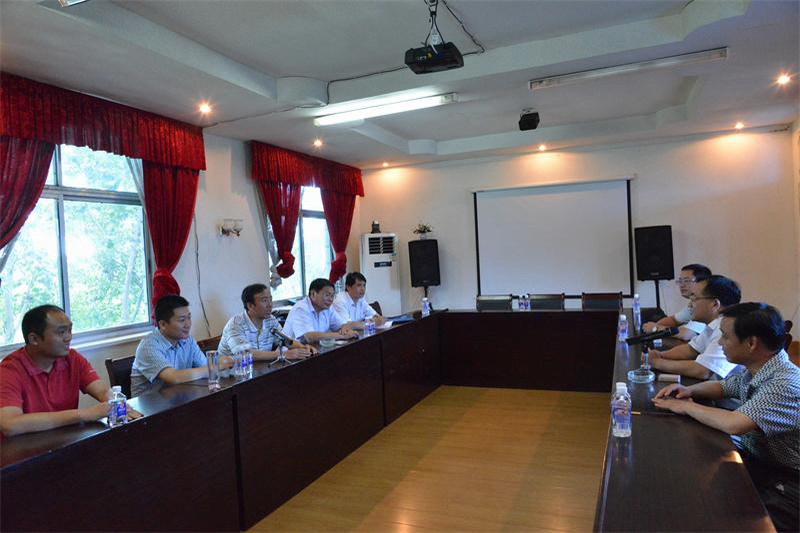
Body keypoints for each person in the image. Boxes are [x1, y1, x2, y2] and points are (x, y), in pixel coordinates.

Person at [653, 303, 798, 531]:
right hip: (763, 461)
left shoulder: (784, 383)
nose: (720, 342)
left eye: (726, 336)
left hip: (790, 481)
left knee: (728, 520)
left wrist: (685, 407)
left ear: (751, 343)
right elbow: (723, 387)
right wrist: (689, 391)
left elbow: (735, 424)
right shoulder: (759, 368)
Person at [0, 305, 141, 437]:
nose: (68, 337)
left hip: (65, 440)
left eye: (69, 330)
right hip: (23, 448)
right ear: (34, 339)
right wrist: (85, 414)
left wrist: (115, 404)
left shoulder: (72, 358)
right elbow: (10, 424)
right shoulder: (9, 370)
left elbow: (102, 391)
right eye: (61, 332)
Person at [648, 275, 741, 380]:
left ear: (715, 304)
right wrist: (661, 355)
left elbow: (703, 370)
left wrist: (657, 362)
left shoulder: (727, 328)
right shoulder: (713, 325)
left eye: (694, 298)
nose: (690, 305)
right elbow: (691, 350)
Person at [131, 294, 217, 397]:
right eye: (182, 320)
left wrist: (214, 368)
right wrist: (214, 367)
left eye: (189, 318)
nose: (188, 324)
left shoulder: (188, 340)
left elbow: (206, 367)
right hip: (149, 405)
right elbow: (174, 378)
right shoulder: (148, 346)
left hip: (178, 399)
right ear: (163, 325)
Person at [218, 283, 315, 362]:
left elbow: (286, 340)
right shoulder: (235, 324)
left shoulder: (270, 320)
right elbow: (246, 354)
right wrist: (282, 354)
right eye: (264, 300)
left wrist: (304, 347)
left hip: (259, 369)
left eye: (270, 299)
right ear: (250, 305)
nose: (270, 305)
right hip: (230, 373)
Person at [643, 263, 712, 342]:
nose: (682, 285)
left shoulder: (706, 305)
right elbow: (674, 320)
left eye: (686, 281)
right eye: (680, 281)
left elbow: (686, 334)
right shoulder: (692, 303)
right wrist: (654, 326)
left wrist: (656, 328)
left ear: (703, 283)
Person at [282, 278, 359, 343]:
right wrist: (342, 336)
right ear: (313, 294)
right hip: (290, 352)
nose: (331, 299)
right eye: (327, 295)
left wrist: (345, 329)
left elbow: (342, 325)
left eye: (332, 296)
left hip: (315, 349)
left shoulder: (328, 308)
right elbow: (310, 336)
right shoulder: (301, 308)